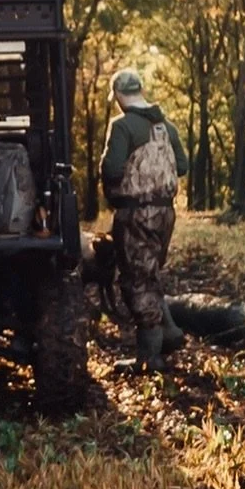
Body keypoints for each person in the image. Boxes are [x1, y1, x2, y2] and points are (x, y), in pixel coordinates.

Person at [100, 68, 189, 370]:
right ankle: (171, 331)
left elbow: (112, 170)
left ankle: (149, 358)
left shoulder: (122, 126)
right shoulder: (167, 127)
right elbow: (183, 166)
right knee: (150, 273)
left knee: (135, 280)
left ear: (120, 96)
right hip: (166, 212)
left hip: (137, 212)